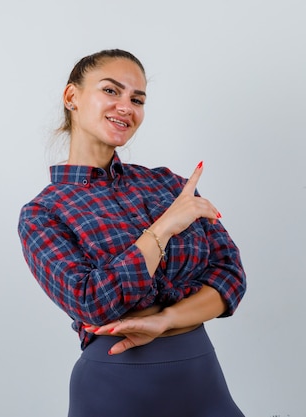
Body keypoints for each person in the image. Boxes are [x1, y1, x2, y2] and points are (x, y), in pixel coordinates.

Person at [18, 49, 246, 417]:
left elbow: (230, 277)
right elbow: (92, 301)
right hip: (115, 385)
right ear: (72, 97)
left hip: (202, 378)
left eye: (137, 99)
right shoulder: (43, 213)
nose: (126, 106)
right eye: (111, 91)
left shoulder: (169, 184)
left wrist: (165, 320)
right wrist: (165, 226)